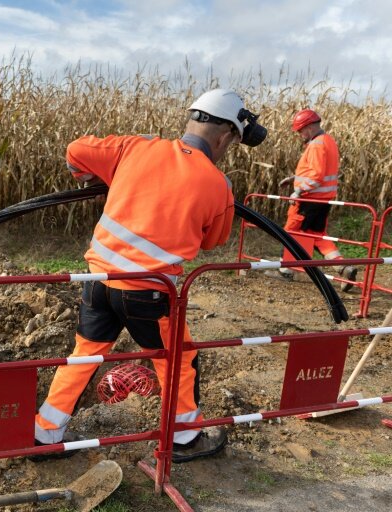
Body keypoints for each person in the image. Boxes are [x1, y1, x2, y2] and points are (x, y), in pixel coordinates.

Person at [33, 89, 267, 463]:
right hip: (149, 293)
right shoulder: (217, 185)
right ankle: (186, 437)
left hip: (98, 281)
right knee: (178, 358)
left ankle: (45, 435)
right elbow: (212, 241)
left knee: (84, 357)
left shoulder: (135, 148)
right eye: (233, 143)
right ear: (224, 137)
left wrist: (98, 178)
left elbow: (76, 150)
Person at [272, 109, 357, 291]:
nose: (299, 135)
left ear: (309, 127)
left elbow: (316, 176)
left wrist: (298, 191)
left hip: (309, 200)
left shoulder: (317, 144)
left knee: (291, 232)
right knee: (316, 236)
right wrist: (294, 179)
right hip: (322, 200)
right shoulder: (328, 141)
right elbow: (317, 172)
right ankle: (343, 268)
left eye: (300, 131)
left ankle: (286, 271)